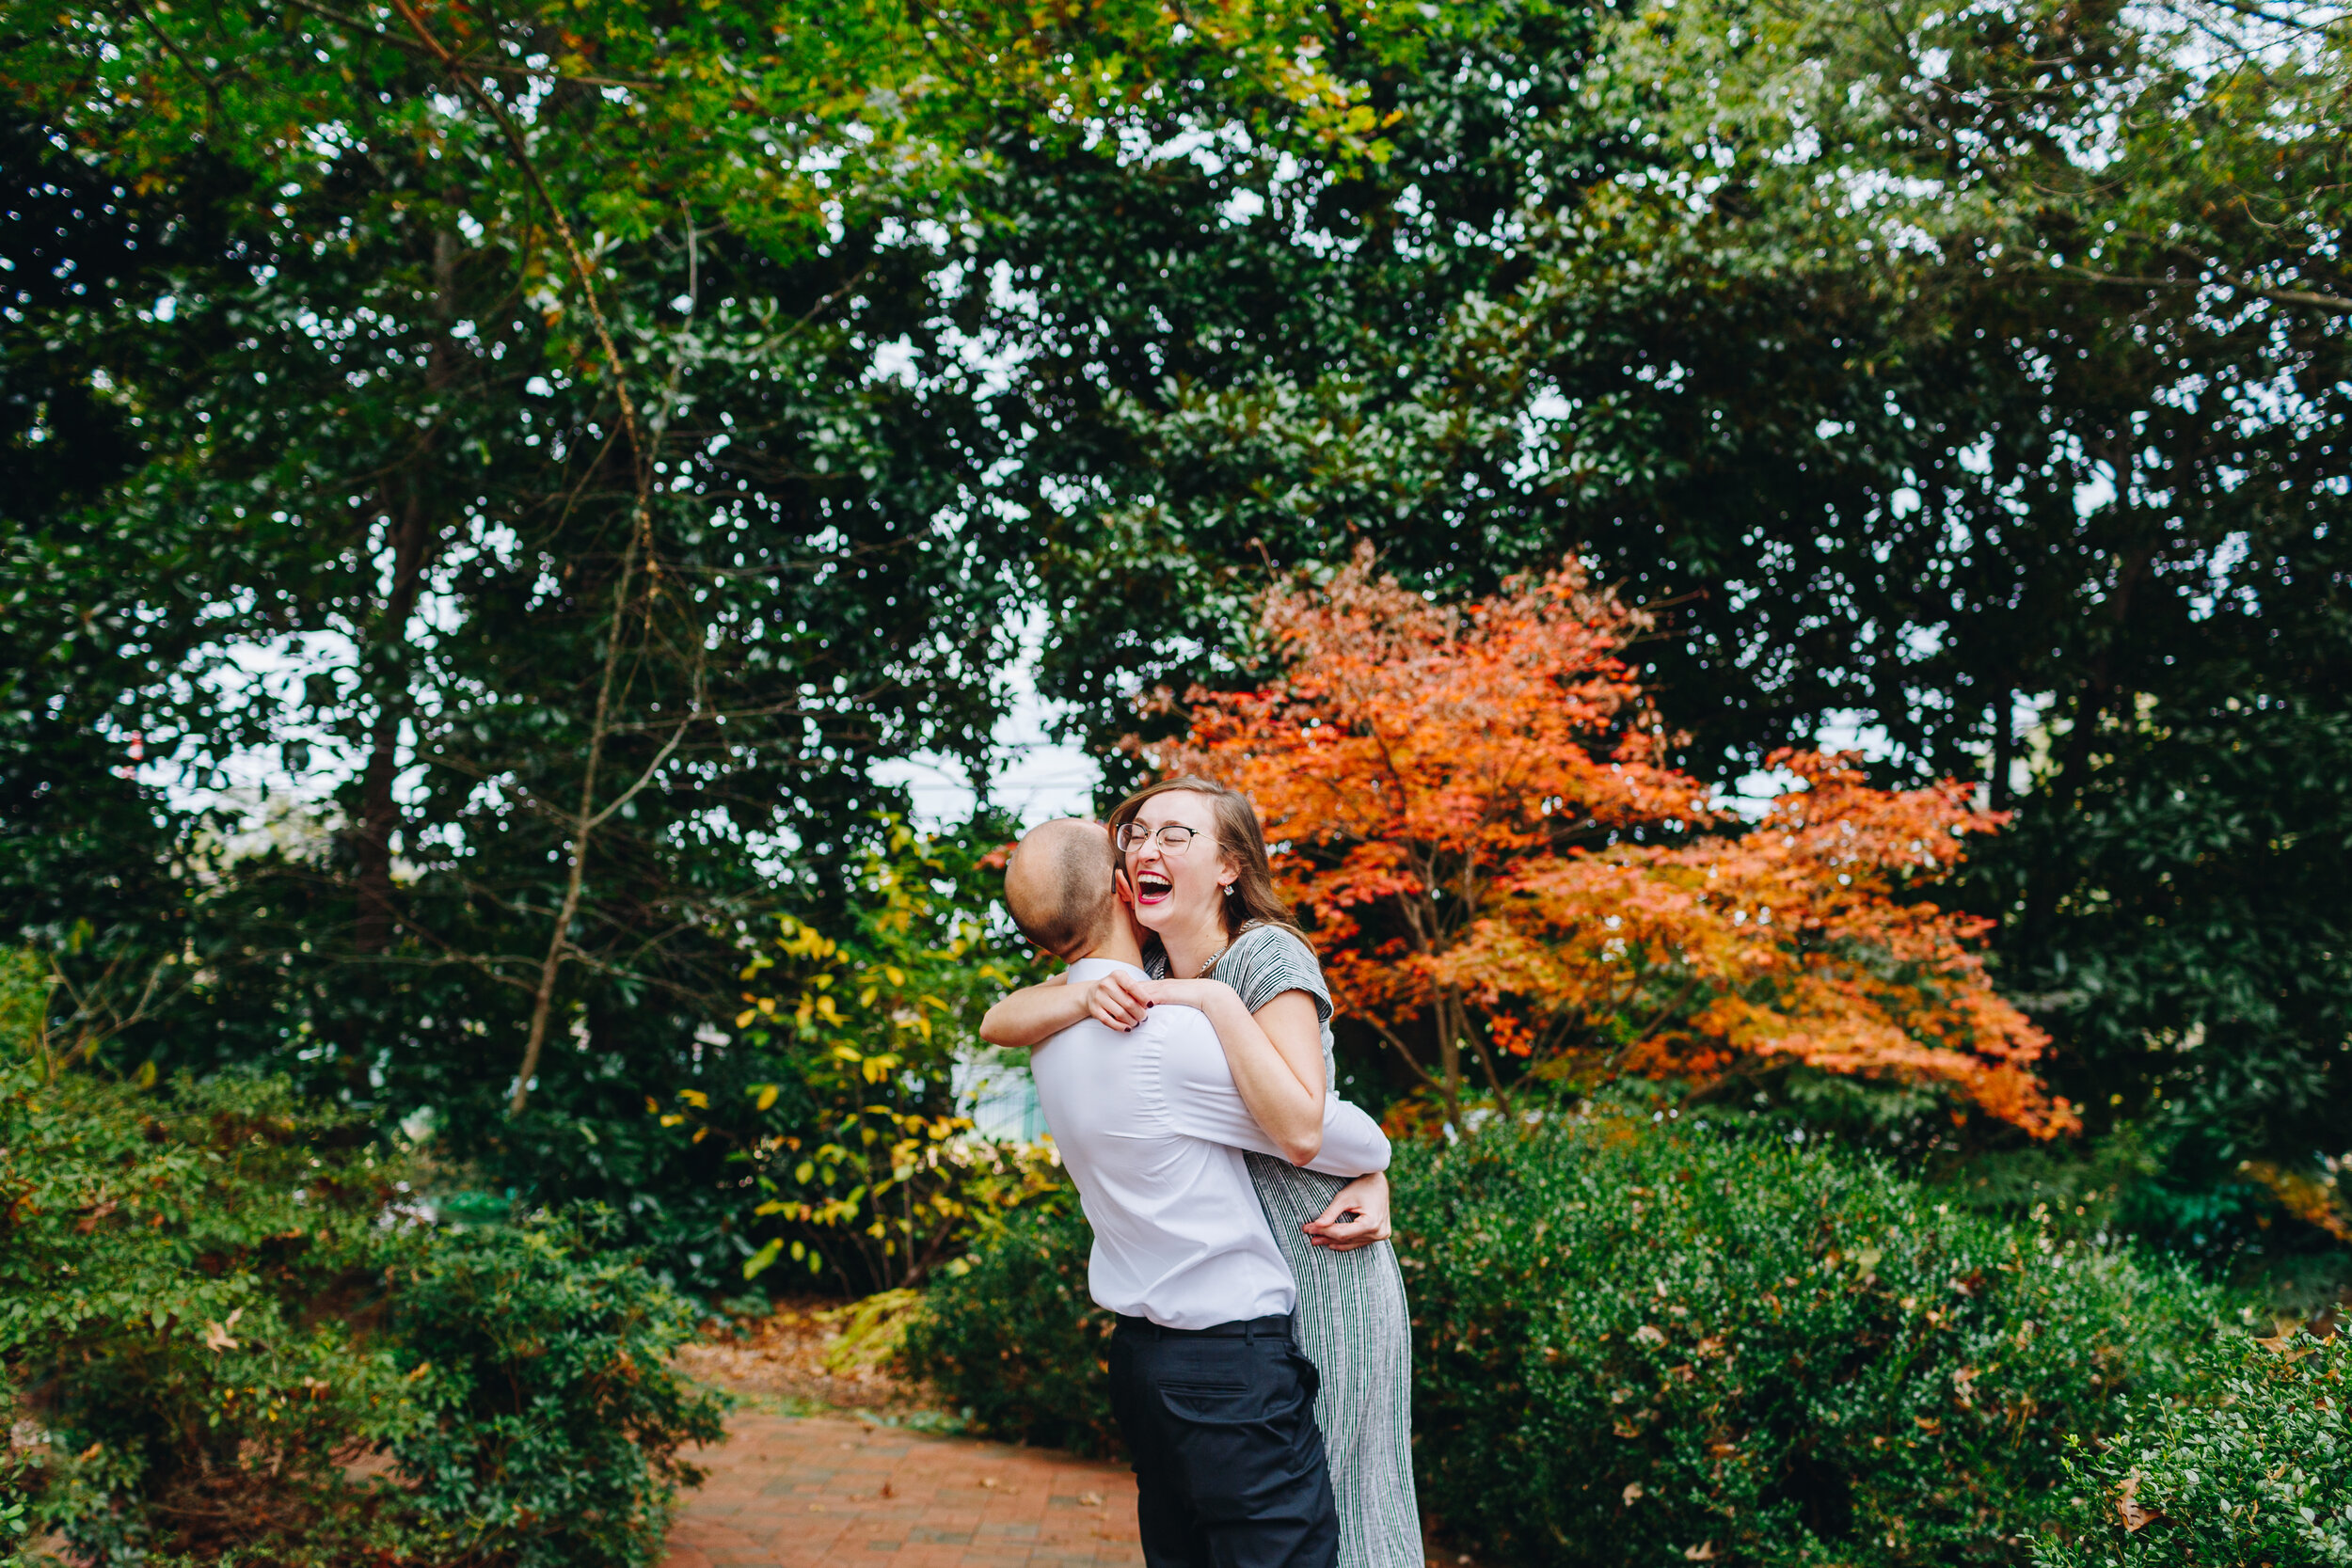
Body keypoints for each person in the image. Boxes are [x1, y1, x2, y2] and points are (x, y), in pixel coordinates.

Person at [982, 778, 1422, 1568]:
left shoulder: (1259, 957)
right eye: (1137, 834)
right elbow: (1001, 1015)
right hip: (1239, 1321)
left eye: (1175, 835)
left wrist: (1377, 1167)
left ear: (1230, 865)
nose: (1148, 848)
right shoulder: (1135, 981)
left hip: (1327, 1261)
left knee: (1357, 1513)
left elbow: (1305, 1123)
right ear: (1121, 885)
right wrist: (1096, 1000)